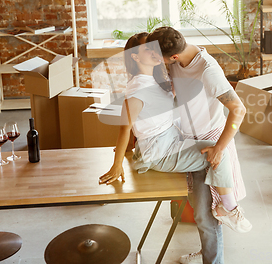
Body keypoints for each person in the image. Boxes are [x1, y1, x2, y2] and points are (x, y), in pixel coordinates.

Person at [98, 33, 251, 237]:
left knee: (217, 150)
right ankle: (229, 209)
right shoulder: (137, 88)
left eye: (155, 47)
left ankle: (220, 215)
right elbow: (125, 127)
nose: (153, 51)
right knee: (218, 154)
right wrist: (117, 164)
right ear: (135, 56)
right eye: (148, 48)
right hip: (158, 149)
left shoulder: (158, 77)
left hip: (169, 136)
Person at [147, 27, 249, 264]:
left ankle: (213, 259)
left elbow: (239, 110)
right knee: (198, 209)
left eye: (157, 57)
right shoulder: (177, 57)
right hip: (188, 142)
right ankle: (207, 252)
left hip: (209, 145)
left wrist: (220, 148)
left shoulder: (208, 70)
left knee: (205, 213)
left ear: (172, 56)